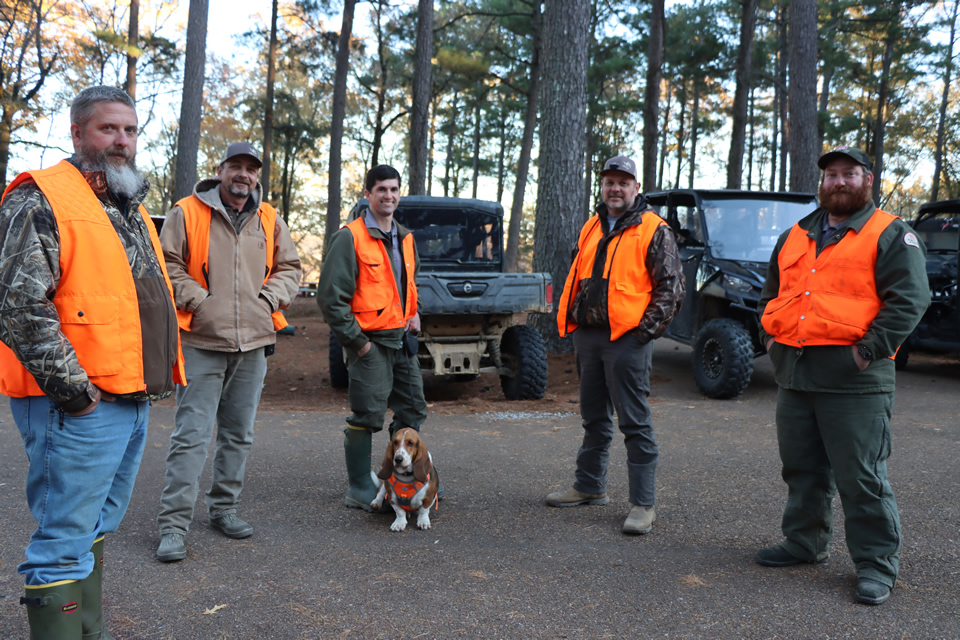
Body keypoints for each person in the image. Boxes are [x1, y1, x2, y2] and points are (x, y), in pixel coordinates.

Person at [0, 85, 185, 638]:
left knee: (94, 525)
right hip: (77, 403)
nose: (121, 141)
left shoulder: (126, 206)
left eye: (129, 130)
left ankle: (90, 631)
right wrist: (76, 394)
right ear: (78, 133)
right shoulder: (39, 199)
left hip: (127, 396)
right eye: (108, 129)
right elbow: (18, 305)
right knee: (63, 541)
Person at [756, 146, 929, 605]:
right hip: (795, 374)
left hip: (856, 380)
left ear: (867, 180)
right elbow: (772, 293)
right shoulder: (796, 234)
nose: (838, 182)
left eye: (848, 174)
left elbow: (910, 300)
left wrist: (865, 352)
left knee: (861, 476)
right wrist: (770, 340)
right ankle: (804, 543)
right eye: (831, 174)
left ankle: (875, 565)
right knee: (802, 468)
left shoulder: (890, 234)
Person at [156, 142, 301, 562]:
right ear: (220, 170)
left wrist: (267, 300)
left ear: (257, 176)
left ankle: (223, 509)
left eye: (251, 169)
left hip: (254, 344)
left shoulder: (269, 218)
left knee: (238, 436)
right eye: (235, 166)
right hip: (202, 342)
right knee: (191, 438)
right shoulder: (187, 212)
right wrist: (199, 301)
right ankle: (173, 526)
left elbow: (290, 268)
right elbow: (166, 263)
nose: (243, 175)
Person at [548, 155, 684, 534]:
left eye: (624, 182)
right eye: (610, 181)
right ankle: (589, 487)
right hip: (588, 336)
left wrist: (642, 334)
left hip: (626, 339)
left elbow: (672, 289)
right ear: (603, 186)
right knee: (593, 417)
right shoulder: (591, 226)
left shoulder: (654, 229)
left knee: (634, 422)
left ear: (636, 188)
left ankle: (643, 505)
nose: (615, 188)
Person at [317, 164, 427, 511]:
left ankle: (403, 481)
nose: (389, 196)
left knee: (413, 410)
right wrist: (359, 343)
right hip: (370, 343)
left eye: (394, 189)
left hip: (402, 341)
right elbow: (330, 299)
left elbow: (409, 286)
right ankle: (360, 487)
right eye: (381, 189)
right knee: (367, 416)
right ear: (368, 194)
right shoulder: (349, 237)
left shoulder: (406, 238)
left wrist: (415, 312)